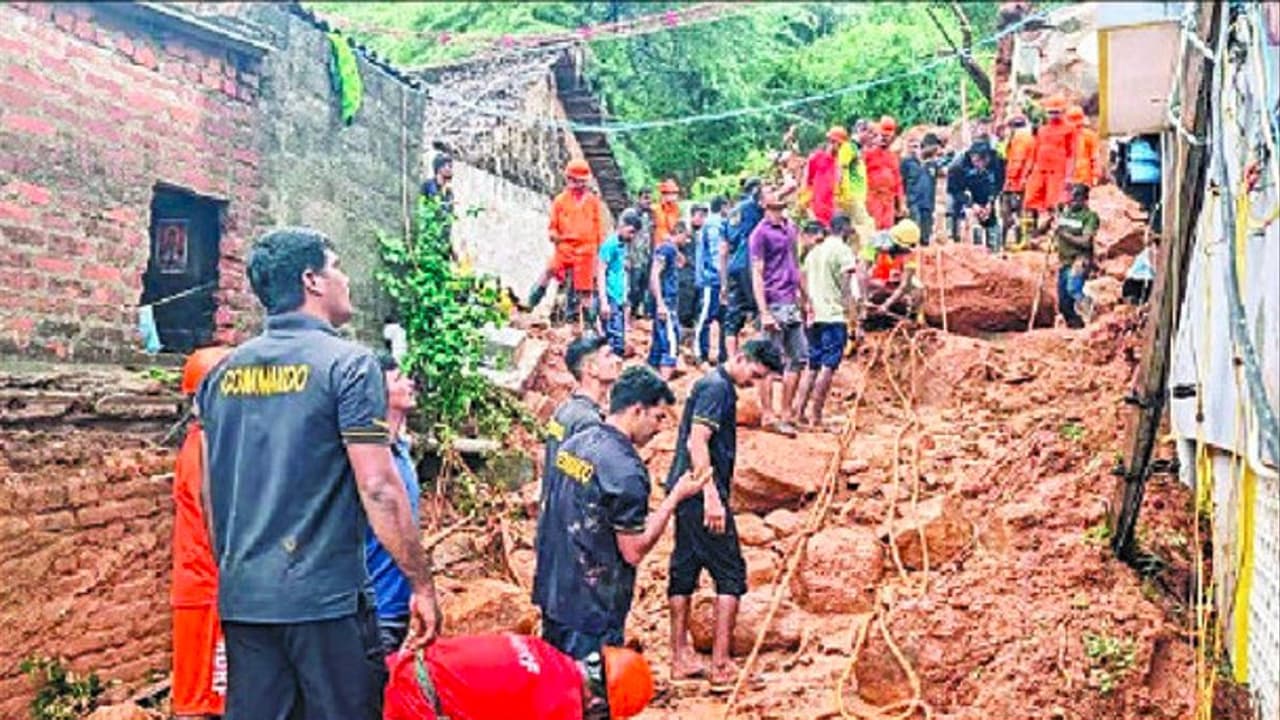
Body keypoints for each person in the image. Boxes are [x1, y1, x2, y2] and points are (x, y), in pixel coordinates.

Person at [197, 228, 440, 719]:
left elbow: (209, 491)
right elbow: (378, 486)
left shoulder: (221, 375)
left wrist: (238, 567)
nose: (345, 278)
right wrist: (421, 584)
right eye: (337, 266)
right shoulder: (349, 366)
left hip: (246, 600)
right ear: (312, 280)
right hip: (325, 604)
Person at [534, 366, 709, 660]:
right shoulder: (626, 470)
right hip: (592, 610)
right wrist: (674, 499)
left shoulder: (574, 444)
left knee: (556, 679)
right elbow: (633, 551)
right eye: (658, 417)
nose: (659, 428)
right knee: (589, 685)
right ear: (637, 410)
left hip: (554, 592)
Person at [666, 339, 782, 690]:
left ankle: (679, 656)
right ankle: (721, 665)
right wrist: (712, 496)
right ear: (741, 358)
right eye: (755, 374)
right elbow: (697, 441)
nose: (753, 382)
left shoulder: (713, 384)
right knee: (730, 573)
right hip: (701, 492)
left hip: (685, 489)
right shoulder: (717, 388)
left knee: (684, 566)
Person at [533, 334, 622, 611]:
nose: (617, 360)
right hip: (575, 548)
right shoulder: (588, 421)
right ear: (590, 369)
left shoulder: (565, 411)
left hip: (553, 534)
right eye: (608, 355)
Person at [384, 634, 654, 720]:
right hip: (408, 704)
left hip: (396, 667)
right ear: (598, 706)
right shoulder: (561, 706)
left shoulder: (544, 652)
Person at [172, 345, 231, 720]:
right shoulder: (206, 447)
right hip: (209, 587)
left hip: (203, 585)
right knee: (203, 698)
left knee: (204, 693)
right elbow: (215, 519)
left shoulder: (200, 443)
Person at [364, 352, 423, 655]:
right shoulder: (368, 459)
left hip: (399, 602)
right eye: (399, 378)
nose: (410, 383)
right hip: (375, 606)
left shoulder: (401, 448)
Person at [749, 188, 810, 438]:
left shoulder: (790, 228)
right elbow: (757, 272)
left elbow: (796, 265)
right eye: (774, 208)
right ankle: (768, 414)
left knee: (799, 357)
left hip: (791, 301)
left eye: (781, 208)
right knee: (767, 361)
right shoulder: (759, 234)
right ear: (764, 207)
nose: (778, 212)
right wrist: (763, 311)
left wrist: (807, 298)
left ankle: (786, 412)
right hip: (773, 301)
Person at [795, 214, 859, 429]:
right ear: (845, 228)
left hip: (814, 316)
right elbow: (847, 288)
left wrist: (807, 307)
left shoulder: (814, 252)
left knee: (812, 365)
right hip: (834, 316)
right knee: (828, 367)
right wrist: (853, 318)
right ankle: (816, 416)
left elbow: (802, 282)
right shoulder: (843, 251)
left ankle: (799, 412)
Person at [527, 160, 608, 321]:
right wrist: (553, 235)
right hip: (565, 247)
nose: (579, 184)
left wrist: (599, 252)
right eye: (575, 181)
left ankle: (589, 326)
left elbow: (599, 228)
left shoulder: (593, 202)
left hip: (586, 250)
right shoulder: (560, 201)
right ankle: (530, 304)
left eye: (582, 181)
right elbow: (553, 226)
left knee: (585, 290)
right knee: (549, 270)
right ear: (569, 179)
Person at [721, 178, 764, 357]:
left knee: (732, 318)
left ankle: (732, 359)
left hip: (734, 265)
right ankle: (759, 359)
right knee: (761, 311)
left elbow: (723, 250)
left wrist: (723, 282)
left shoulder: (732, 212)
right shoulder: (752, 207)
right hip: (751, 265)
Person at [1023, 94, 1077, 235]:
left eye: (1056, 112)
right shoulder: (1042, 129)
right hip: (1039, 170)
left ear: (1063, 111)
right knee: (1030, 200)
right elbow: (1035, 152)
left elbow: (1071, 154)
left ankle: (1055, 234)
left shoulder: (1069, 129)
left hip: (1057, 173)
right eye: (1051, 112)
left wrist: (1069, 176)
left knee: (1055, 203)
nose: (1053, 115)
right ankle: (1030, 234)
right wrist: (1028, 171)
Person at [861, 219, 924, 326]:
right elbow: (862, 271)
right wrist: (864, 299)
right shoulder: (874, 242)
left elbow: (905, 284)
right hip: (876, 280)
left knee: (919, 289)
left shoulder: (910, 251)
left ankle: (913, 318)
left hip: (897, 281)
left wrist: (886, 305)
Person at [1054, 183, 1099, 329]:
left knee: (1073, 288)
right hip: (1064, 261)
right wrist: (1053, 219)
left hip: (1080, 259)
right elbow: (1048, 229)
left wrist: (1064, 235)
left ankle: (1091, 310)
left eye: (1077, 196)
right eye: (1072, 196)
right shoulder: (1064, 214)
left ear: (1084, 199)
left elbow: (1086, 241)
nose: (1072, 199)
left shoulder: (1089, 217)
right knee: (1063, 303)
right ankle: (1076, 327)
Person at [598, 211, 642, 356]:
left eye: (634, 233)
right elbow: (601, 272)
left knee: (619, 337)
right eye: (631, 232)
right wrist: (604, 302)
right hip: (610, 297)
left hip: (619, 297)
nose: (632, 236)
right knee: (614, 340)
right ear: (622, 225)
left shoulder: (623, 245)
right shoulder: (609, 245)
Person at [694, 196, 730, 366]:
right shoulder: (715, 225)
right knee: (707, 316)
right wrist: (724, 281)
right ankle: (700, 352)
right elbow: (717, 256)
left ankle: (711, 353)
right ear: (723, 207)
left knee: (718, 317)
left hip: (714, 279)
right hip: (713, 279)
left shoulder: (711, 224)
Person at [649, 220, 687, 378]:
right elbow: (654, 275)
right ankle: (664, 381)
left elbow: (681, 263)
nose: (687, 241)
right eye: (685, 236)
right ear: (679, 233)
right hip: (665, 300)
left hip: (666, 299)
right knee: (671, 341)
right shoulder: (666, 249)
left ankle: (652, 375)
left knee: (659, 340)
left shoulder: (669, 248)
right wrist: (660, 304)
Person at [956, 140, 1005, 252]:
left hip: (987, 194)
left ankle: (994, 250)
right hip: (969, 195)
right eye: (974, 160)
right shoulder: (960, 166)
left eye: (979, 161)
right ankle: (976, 250)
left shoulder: (997, 163)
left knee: (992, 221)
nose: (977, 164)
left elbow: (998, 184)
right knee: (973, 222)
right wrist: (972, 204)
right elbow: (956, 190)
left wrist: (990, 201)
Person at [836, 118, 876, 242]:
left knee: (854, 231)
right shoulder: (849, 147)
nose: (872, 137)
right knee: (866, 227)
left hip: (856, 197)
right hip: (851, 197)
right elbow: (840, 170)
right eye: (870, 133)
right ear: (860, 131)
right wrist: (838, 194)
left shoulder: (857, 149)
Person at [1001, 114, 1036, 249]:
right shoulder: (1030, 138)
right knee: (1022, 213)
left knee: (1009, 212)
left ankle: (1006, 242)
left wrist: (1010, 179)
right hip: (1026, 180)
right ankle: (1022, 241)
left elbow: (1017, 161)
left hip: (1015, 182)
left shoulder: (1019, 139)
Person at [900, 133, 943, 245]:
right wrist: (902, 202)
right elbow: (901, 183)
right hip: (913, 202)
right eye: (911, 147)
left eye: (916, 146)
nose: (914, 150)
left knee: (925, 236)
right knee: (912, 234)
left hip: (928, 204)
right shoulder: (907, 162)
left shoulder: (933, 165)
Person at [864, 116, 905, 230]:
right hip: (873, 198)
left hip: (889, 200)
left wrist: (901, 204)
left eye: (888, 136)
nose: (884, 139)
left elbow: (898, 182)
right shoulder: (868, 154)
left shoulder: (893, 157)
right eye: (883, 135)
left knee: (887, 230)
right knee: (874, 228)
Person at [802, 126, 846, 228]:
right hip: (816, 212)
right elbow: (806, 183)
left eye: (841, 145)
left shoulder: (841, 164)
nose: (838, 147)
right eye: (837, 144)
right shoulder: (817, 158)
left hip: (833, 214)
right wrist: (807, 208)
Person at [678, 205, 707, 340]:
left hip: (698, 275)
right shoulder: (684, 231)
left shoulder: (704, 233)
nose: (701, 219)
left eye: (704, 216)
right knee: (684, 306)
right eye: (699, 216)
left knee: (697, 306)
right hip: (685, 275)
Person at [627, 189, 656, 318]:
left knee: (644, 285)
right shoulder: (631, 214)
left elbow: (652, 234)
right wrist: (626, 256)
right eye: (645, 198)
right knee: (633, 286)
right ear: (639, 198)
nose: (648, 201)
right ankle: (630, 311)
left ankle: (638, 310)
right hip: (634, 256)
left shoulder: (651, 215)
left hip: (646, 255)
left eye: (650, 198)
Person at [1067, 105, 1102, 188]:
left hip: (1079, 179)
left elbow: (1095, 157)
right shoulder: (1090, 135)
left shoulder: (1089, 136)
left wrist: (1096, 175)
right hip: (1079, 179)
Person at [652, 179, 683, 245]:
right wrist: (669, 237)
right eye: (671, 193)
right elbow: (660, 229)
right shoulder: (657, 209)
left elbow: (677, 226)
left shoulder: (676, 208)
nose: (674, 196)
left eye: (675, 193)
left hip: (672, 242)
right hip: (660, 243)